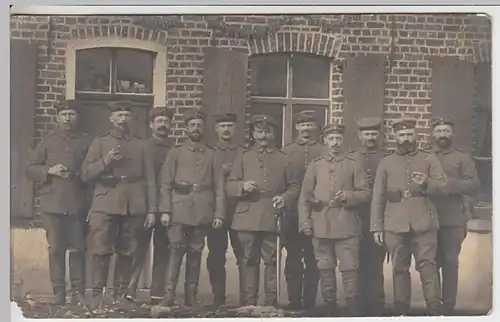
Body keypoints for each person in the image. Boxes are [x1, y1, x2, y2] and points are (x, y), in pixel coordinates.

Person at [81, 101, 157, 310]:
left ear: (132, 119)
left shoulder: (142, 145)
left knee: (128, 251)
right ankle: (97, 296)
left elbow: (150, 179)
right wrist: (105, 161)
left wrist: (151, 210)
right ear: (111, 118)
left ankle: (120, 297)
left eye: (126, 115)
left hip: (134, 203)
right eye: (119, 115)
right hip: (105, 202)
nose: (123, 119)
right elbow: (85, 173)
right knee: (101, 249)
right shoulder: (100, 142)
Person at [370, 117, 448, 316]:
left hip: (424, 222)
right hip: (395, 223)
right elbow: (378, 196)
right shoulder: (386, 162)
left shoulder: (428, 159)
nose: (406, 138)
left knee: (428, 267)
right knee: (399, 268)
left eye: (409, 134)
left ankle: (435, 310)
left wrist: (426, 183)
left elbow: (444, 187)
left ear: (416, 135)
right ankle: (401, 310)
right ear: (395, 137)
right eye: (402, 135)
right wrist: (376, 226)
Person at [226, 114, 300, 307]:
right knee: (249, 259)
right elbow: (229, 185)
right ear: (253, 133)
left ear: (274, 133)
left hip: (272, 215)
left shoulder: (284, 159)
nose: (264, 136)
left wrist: (283, 198)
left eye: (268, 132)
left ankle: (270, 303)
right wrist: (243, 186)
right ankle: (250, 302)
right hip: (247, 216)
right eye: (259, 131)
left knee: (272, 261)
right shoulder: (243, 157)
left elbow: (294, 187)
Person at [298, 123, 371, 317]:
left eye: (338, 138)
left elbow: (365, 193)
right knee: (325, 267)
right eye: (331, 139)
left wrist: (348, 196)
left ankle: (352, 309)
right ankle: (330, 308)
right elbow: (305, 196)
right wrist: (305, 222)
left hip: (346, 224)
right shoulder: (316, 165)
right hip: (321, 224)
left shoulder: (354, 163)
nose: (335, 142)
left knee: (349, 268)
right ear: (325, 141)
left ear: (343, 140)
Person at [156, 109, 225, 309]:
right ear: (186, 128)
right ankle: (168, 295)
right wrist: (166, 210)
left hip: (203, 210)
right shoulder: (175, 152)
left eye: (199, 125)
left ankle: (191, 296)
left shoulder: (213, 154)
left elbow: (219, 187)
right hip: (179, 209)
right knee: (176, 251)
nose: (196, 129)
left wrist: (219, 213)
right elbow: (165, 184)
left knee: (195, 253)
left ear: (204, 129)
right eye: (192, 125)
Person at [25, 100, 92, 306]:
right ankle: (59, 293)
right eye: (64, 115)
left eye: (72, 114)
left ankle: (78, 293)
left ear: (77, 117)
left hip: (78, 205)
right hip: (52, 205)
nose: (68, 119)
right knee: (56, 249)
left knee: (78, 248)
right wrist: (49, 170)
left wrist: (79, 174)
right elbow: (30, 168)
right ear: (58, 118)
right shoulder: (47, 142)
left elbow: (93, 169)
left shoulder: (86, 142)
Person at [428, 116, 480, 315]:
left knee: (450, 262)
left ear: (453, 134)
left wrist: (449, 184)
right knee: (431, 263)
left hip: (452, 219)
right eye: (439, 130)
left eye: (446, 131)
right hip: (429, 219)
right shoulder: (426, 156)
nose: (443, 135)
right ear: (433, 134)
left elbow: (474, 184)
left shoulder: (462, 157)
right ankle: (434, 306)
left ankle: (448, 308)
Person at [124, 107, 174, 304]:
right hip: (143, 205)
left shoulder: (175, 149)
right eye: (159, 121)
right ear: (151, 124)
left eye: (166, 121)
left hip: (166, 207)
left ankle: (157, 292)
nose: (163, 125)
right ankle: (130, 289)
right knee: (137, 248)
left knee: (163, 248)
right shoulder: (142, 147)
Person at [281, 110, 324, 311]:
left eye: (310, 124)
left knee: (314, 257)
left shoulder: (324, 151)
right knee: (293, 258)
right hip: (292, 213)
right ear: (296, 127)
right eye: (302, 124)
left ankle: (310, 300)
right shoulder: (286, 152)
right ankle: (294, 299)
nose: (306, 128)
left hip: (317, 213)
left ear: (315, 127)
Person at [349, 117, 389, 316]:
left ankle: (376, 308)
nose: (370, 138)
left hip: (379, 218)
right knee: (355, 263)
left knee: (375, 264)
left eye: (374, 134)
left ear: (379, 135)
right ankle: (357, 308)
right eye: (367, 134)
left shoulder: (386, 157)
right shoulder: (352, 158)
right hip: (355, 217)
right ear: (359, 136)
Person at [206, 112, 246, 308]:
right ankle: (218, 297)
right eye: (222, 126)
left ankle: (247, 298)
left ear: (235, 129)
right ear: (216, 129)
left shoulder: (243, 152)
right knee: (216, 255)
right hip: (216, 211)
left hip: (239, 209)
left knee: (243, 255)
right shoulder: (210, 152)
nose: (226, 129)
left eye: (230, 126)